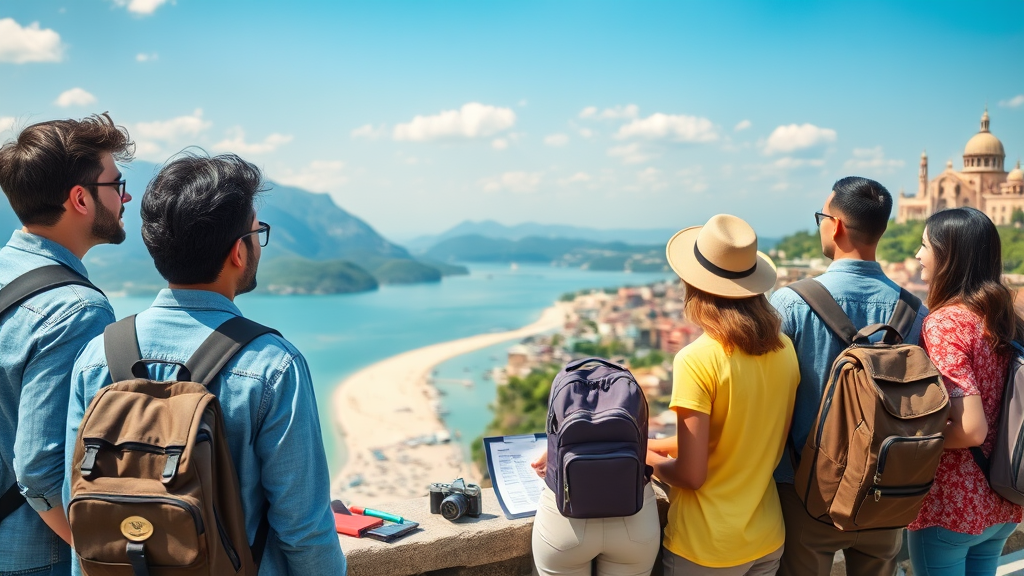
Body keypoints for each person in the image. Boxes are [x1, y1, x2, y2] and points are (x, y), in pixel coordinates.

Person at [63, 153, 346, 575]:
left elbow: (80, 498)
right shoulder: (273, 365)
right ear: (238, 252)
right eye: (257, 232)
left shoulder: (97, 355)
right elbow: (303, 528)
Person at [770, 176, 925, 576]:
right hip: (886, 491)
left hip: (806, 491)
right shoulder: (915, 312)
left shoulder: (790, 304)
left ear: (835, 225)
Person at [0, 113, 133, 576]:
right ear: (80, 198)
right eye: (117, 184)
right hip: (32, 556)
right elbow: (38, 472)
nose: (126, 196)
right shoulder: (75, 309)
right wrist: (103, 553)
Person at [647, 213, 800, 575]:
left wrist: (643, 454)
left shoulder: (696, 359)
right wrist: (657, 443)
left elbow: (691, 475)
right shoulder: (785, 349)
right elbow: (738, 433)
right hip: (766, 535)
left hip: (707, 546)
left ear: (692, 285)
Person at [907, 207, 1023, 575]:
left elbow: (971, 429)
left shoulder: (946, 323)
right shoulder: (1006, 317)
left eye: (924, 245)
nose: (917, 256)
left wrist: (908, 439)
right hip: (1003, 497)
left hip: (954, 505)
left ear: (947, 254)